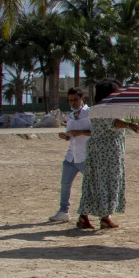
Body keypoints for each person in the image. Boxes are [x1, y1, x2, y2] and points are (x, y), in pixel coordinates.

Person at [79, 81, 139, 230]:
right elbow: (113, 123)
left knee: (92, 181)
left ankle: (84, 216)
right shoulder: (106, 109)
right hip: (108, 150)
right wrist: (129, 125)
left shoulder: (95, 108)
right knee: (108, 181)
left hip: (96, 148)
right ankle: (105, 217)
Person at [50, 88, 92, 223]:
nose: (73, 103)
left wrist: (81, 132)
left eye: (75, 100)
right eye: (70, 100)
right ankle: (64, 211)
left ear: (81, 99)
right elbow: (70, 135)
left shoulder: (90, 113)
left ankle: (95, 212)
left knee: (91, 185)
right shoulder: (70, 116)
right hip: (71, 156)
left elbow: (95, 132)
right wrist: (65, 136)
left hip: (85, 156)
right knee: (65, 184)